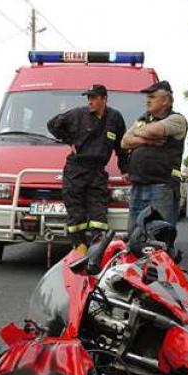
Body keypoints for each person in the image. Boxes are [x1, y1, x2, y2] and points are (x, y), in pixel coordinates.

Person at [47, 84, 128, 254]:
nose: (89, 101)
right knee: (76, 211)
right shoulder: (77, 114)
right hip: (76, 169)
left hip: (98, 171)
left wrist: (125, 169)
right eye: (88, 98)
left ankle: (98, 249)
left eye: (93, 98)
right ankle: (79, 247)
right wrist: (70, 140)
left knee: (98, 212)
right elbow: (52, 124)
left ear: (104, 99)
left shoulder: (115, 118)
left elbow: (122, 147)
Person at [122, 80, 187, 232]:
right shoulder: (143, 119)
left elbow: (155, 131)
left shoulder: (177, 120)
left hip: (162, 186)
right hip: (138, 185)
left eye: (152, 96)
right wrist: (147, 139)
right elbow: (124, 141)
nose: (147, 100)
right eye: (147, 97)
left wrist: (139, 134)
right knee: (134, 235)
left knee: (159, 236)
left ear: (165, 100)